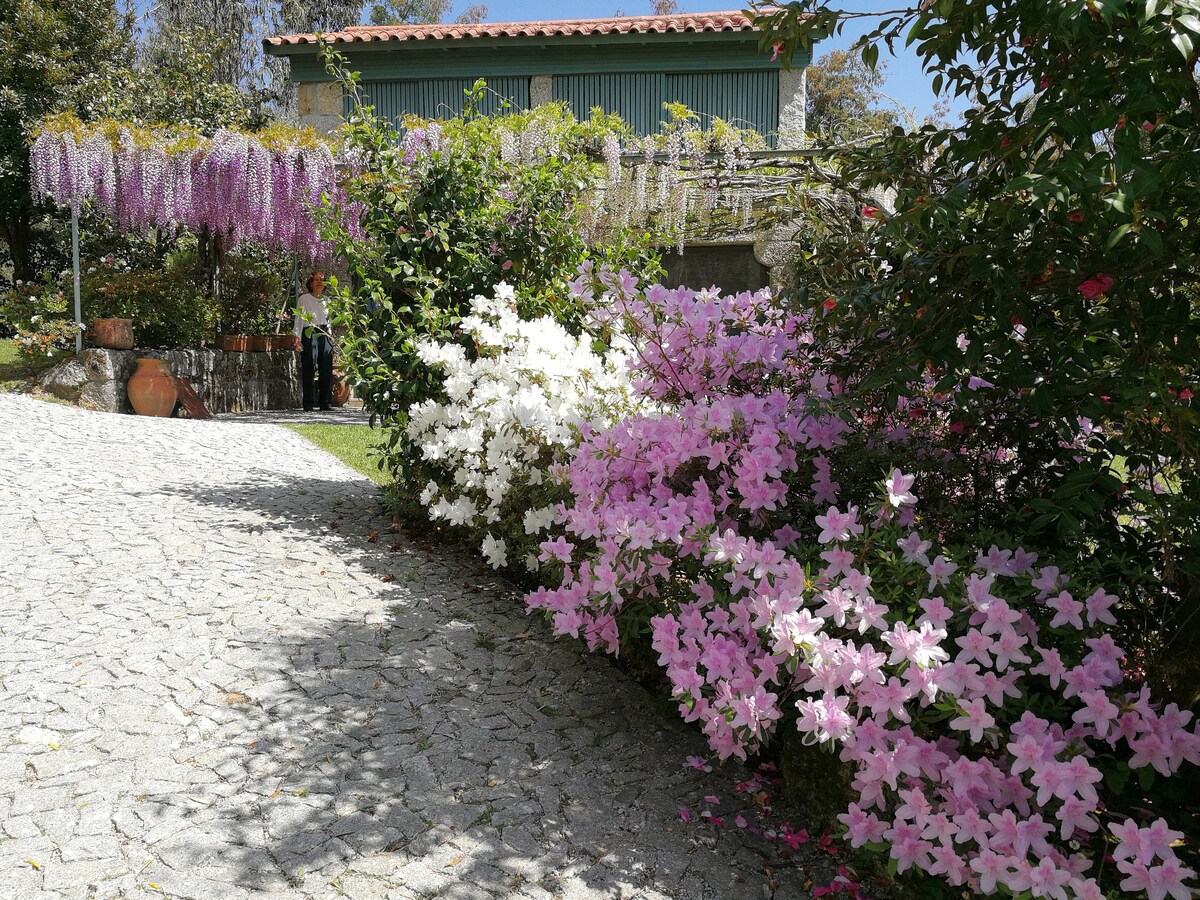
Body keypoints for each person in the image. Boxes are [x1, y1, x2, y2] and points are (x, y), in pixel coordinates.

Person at [295, 271, 333, 411]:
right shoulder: (304, 299)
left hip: (324, 333)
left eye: (321, 280)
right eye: (316, 280)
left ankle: (326, 402)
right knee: (309, 367)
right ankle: (308, 403)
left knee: (326, 369)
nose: (319, 282)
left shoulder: (327, 300)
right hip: (309, 332)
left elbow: (328, 321)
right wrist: (297, 337)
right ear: (311, 283)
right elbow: (299, 319)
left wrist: (330, 335)